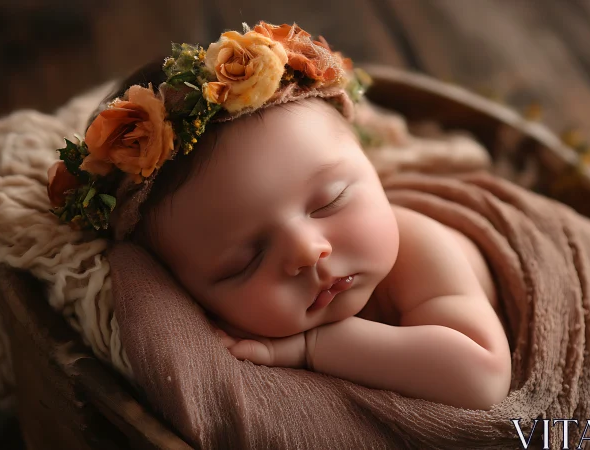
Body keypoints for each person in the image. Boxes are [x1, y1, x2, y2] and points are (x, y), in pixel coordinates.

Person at [46, 21, 511, 410]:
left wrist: (313, 348)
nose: (308, 251)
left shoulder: (421, 248)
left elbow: (482, 380)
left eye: (331, 200)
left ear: (371, 166)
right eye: (244, 262)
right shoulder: (229, 328)